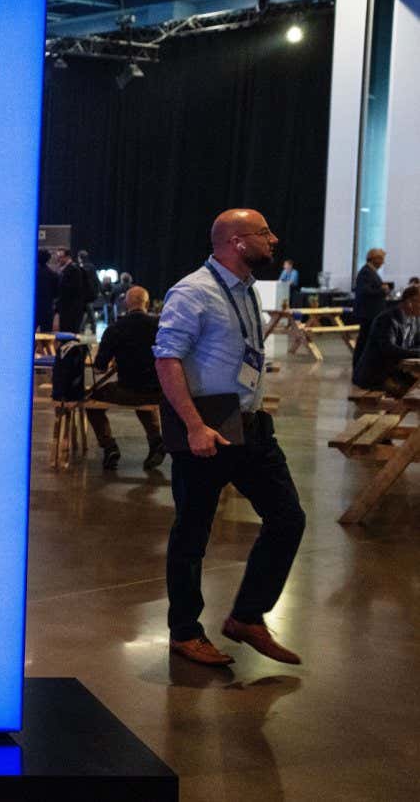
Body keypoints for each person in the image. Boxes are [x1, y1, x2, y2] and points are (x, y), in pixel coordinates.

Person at [154, 208, 305, 667]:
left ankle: (246, 616)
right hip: (210, 428)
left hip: (253, 426)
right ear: (237, 242)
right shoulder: (193, 291)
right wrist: (195, 425)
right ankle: (184, 631)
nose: (273, 239)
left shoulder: (247, 291)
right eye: (263, 233)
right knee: (192, 534)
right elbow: (166, 359)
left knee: (288, 520)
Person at [85, 286, 165, 471]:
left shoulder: (116, 328)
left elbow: (100, 366)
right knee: (144, 398)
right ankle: (156, 442)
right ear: (147, 302)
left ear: (126, 303)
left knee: (91, 400)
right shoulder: (160, 326)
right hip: (159, 392)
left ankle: (109, 447)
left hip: (128, 390)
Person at [352, 284, 420, 397]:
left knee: (415, 388)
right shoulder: (387, 319)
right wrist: (417, 354)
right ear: (409, 302)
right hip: (377, 375)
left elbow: (417, 342)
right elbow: (388, 348)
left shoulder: (415, 319)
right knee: (409, 394)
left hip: (395, 372)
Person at [353, 248, 389, 368]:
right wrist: (382, 290)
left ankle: (364, 365)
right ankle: (359, 365)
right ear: (374, 259)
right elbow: (365, 291)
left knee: (367, 339)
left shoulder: (371, 271)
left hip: (372, 312)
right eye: (381, 259)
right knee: (364, 340)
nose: (383, 262)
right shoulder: (366, 272)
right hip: (368, 313)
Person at [54, 249, 89, 333]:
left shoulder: (73, 269)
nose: (58, 259)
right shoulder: (66, 269)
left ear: (68, 257)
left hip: (71, 310)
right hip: (67, 309)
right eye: (58, 257)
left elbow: (73, 290)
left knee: (69, 335)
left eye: (61, 257)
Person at [34, 249, 57, 333]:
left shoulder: (31, 274)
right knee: (46, 336)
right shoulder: (53, 274)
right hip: (47, 309)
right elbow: (56, 293)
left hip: (33, 308)